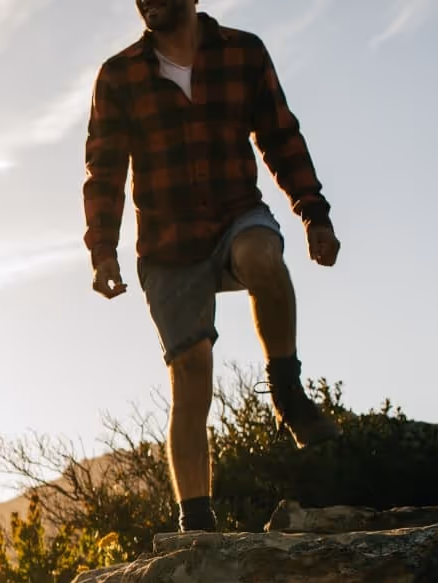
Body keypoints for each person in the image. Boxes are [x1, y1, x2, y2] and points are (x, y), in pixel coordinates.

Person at [84, 0, 341, 533]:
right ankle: (196, 521)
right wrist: (102, 249)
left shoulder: (243, 53)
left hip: (234, 214)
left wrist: (312, 212)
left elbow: (280, 136)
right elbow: (104, 169)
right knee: (192, 371)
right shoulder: (120, 75)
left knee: (262, 256)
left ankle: (287, 390)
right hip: (167, 242)